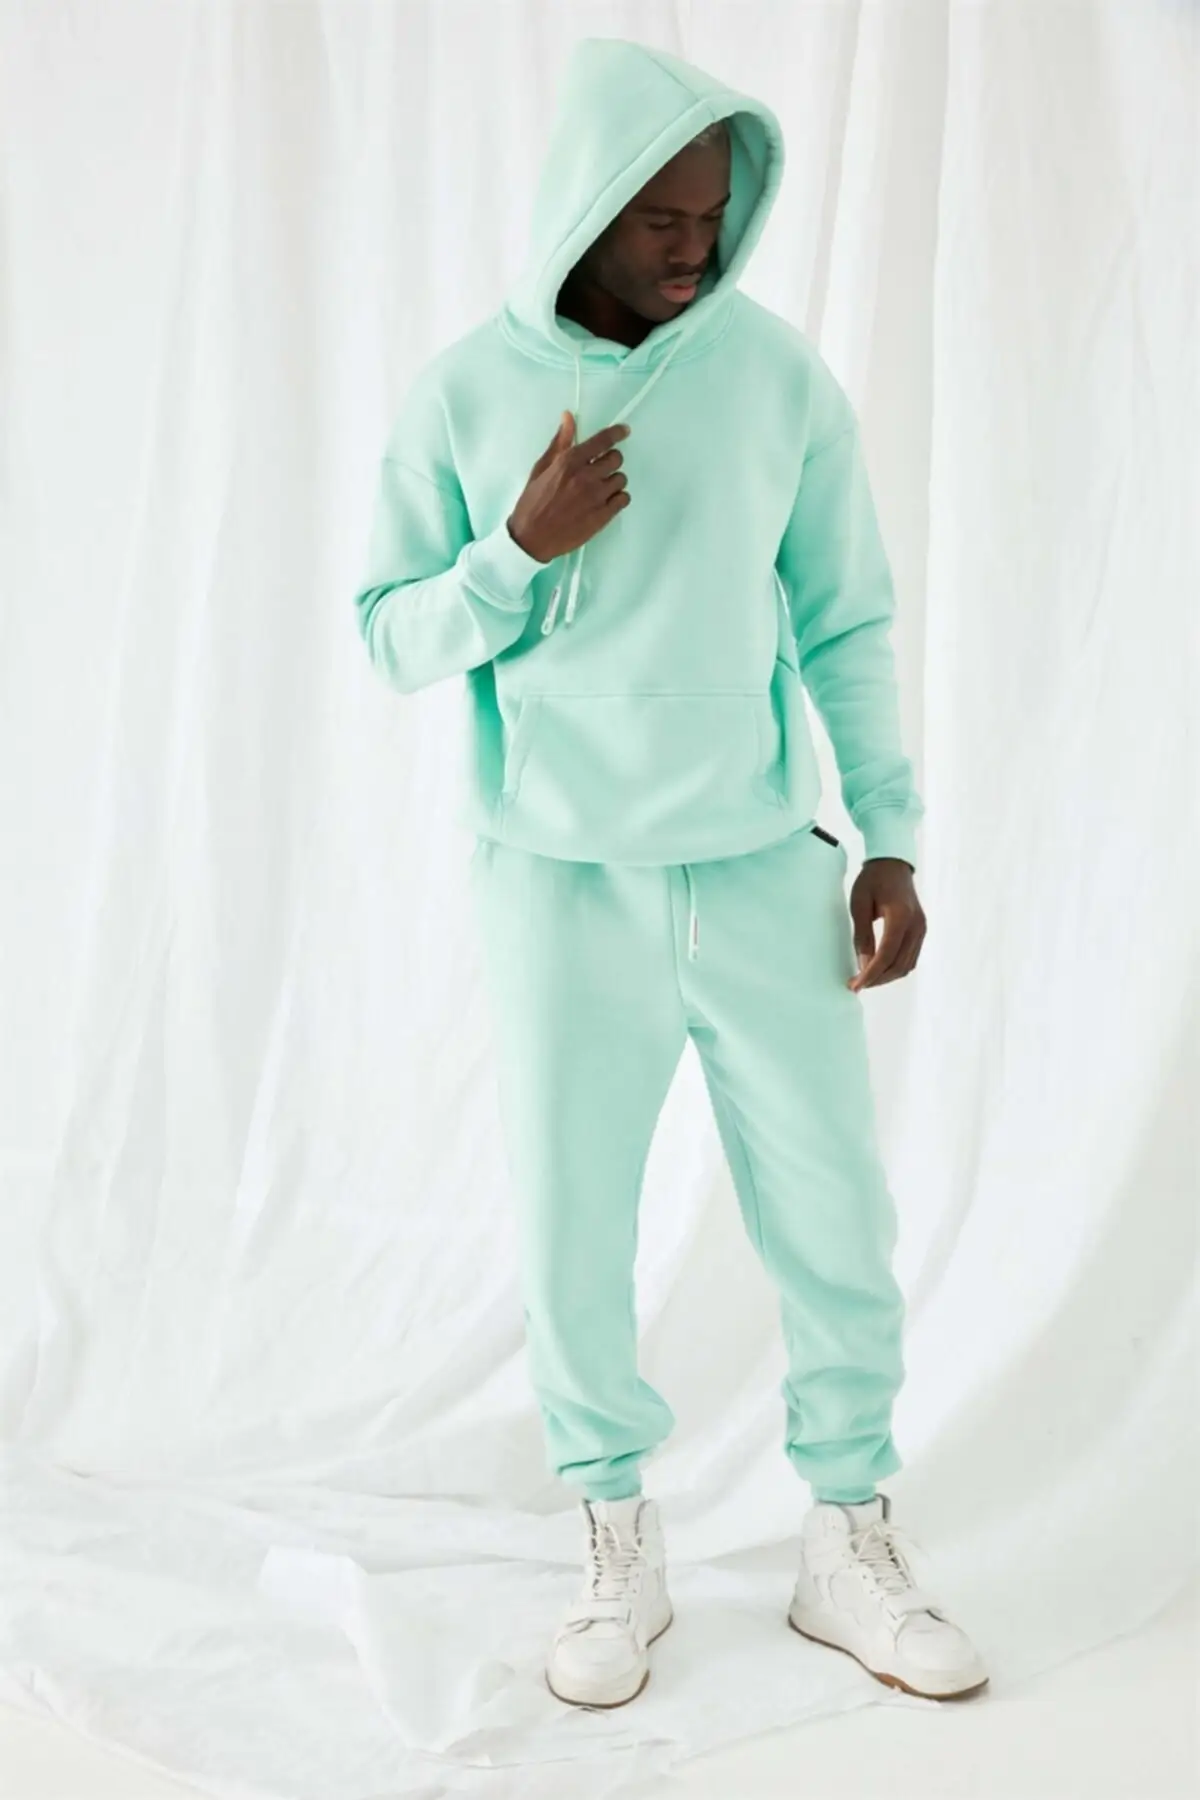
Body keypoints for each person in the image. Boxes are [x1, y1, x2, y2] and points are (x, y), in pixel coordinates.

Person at [352, 36, 988, 1711]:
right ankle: (613, 1539)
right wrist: (515, 551)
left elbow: (848, 617)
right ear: (588, 207)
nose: (697, 247)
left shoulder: (776, 381)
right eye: (662, 221)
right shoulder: (465, 394)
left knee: (835, 1213)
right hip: (558, 882)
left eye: (714, 217)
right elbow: (387, 635)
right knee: (575, 1224)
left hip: (763, 862)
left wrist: (892, 830)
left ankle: (846, 1539)